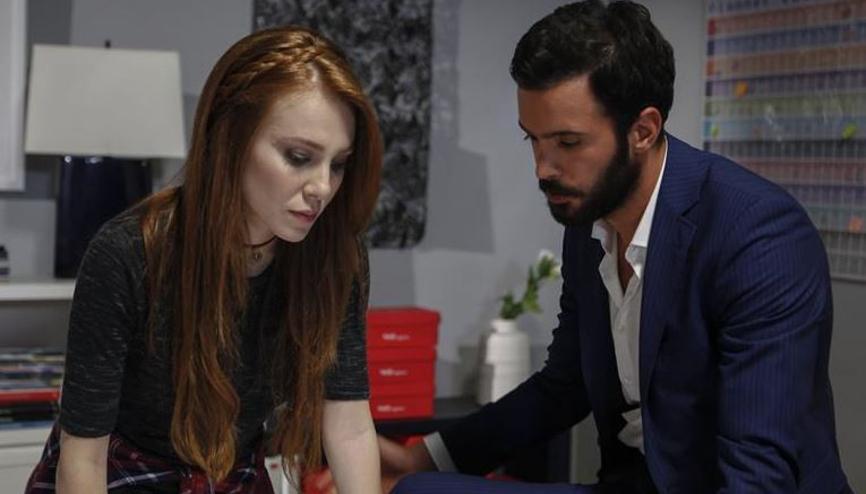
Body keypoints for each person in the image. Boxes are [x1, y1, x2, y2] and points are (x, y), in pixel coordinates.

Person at [379, 1, 852, 493]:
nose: (543, 168)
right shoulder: (589, 220)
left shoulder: (759, 236)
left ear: (643, 131)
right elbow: (564, 385)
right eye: (533, 140)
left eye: (567, 143)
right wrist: (422, 458)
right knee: (414, 489)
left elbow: (759, 475)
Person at [25, 26, 383, 494]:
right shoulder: (127, 254)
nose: (322, 187)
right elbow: (83, 457)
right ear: (230, 139)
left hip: (230, 474)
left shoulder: (336, 257)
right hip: (116, 471)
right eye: (299, 157)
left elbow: (349, 426)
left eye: (338, 164)